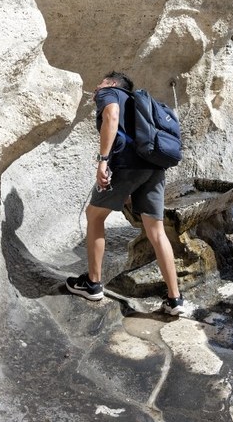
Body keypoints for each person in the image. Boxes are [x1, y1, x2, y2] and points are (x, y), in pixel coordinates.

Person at [66, 71, 185, 315]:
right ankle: (175, 300)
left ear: (111, 83)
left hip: (125, 166)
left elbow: (111, 117)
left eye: (99, 83)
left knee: (94, 216)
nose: (96, 88)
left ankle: (93, 283)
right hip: (153, 167)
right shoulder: (139, 103)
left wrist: (103, 160)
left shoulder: (110, 93)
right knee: (156, 232)